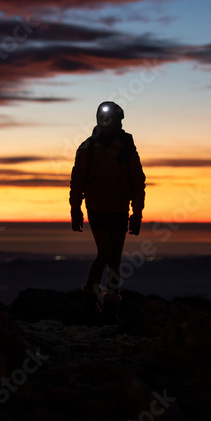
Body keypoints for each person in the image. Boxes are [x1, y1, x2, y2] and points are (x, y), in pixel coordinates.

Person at [68, 101, 146, 307]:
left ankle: (110, 301)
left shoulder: (127, 147)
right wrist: (75, 211)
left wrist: (136, 214)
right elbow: (77, 182)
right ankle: (91, 293)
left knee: (115, 258)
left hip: (119, 209)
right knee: (106, 252)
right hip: (97, 209)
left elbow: (138, 181)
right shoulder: (87, 148)